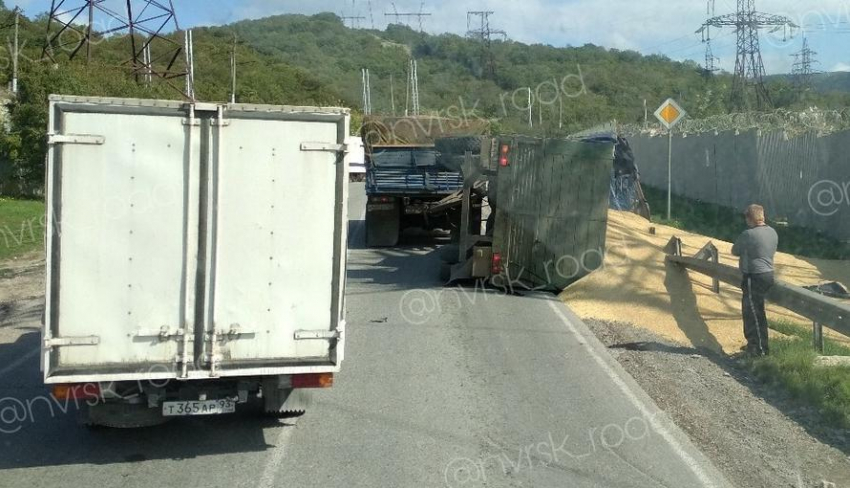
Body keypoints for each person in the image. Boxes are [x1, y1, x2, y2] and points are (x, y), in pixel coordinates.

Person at [731, 204, 778, 356]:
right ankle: (756, 345)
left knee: (752, 313)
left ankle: (759, 349)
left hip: (754, 276)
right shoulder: (772, 232)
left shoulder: (748, 234)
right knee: (757, 311)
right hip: (768, 274)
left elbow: (735, 250)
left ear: (750, 218)